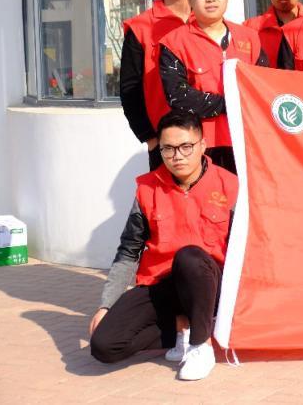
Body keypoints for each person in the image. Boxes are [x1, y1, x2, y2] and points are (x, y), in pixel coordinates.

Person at [89, 111, 237, 381]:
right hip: (161, 286)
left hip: (207, 285)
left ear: (202, 145)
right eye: (168, 148)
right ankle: (182, 329)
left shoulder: (230, 185)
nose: (177, 156)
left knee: (189, 257)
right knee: (104, 344)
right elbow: (128, 252)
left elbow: (247, 248)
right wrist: (106, 305)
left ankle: (201, 346)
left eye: (185, 147)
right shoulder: (147, 189)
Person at [159, 0, 266, 173]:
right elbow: (178, 96)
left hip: (247, 139)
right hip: (201, 144)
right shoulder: (174, 43)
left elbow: (264, 85)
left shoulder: (250, 38)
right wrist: (230, 104)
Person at [119, 0, 194, 170]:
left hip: (210, 135)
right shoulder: (140, 27)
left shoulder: (207, 21)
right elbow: (130, 89)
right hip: (166, 141)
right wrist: (150, 138)